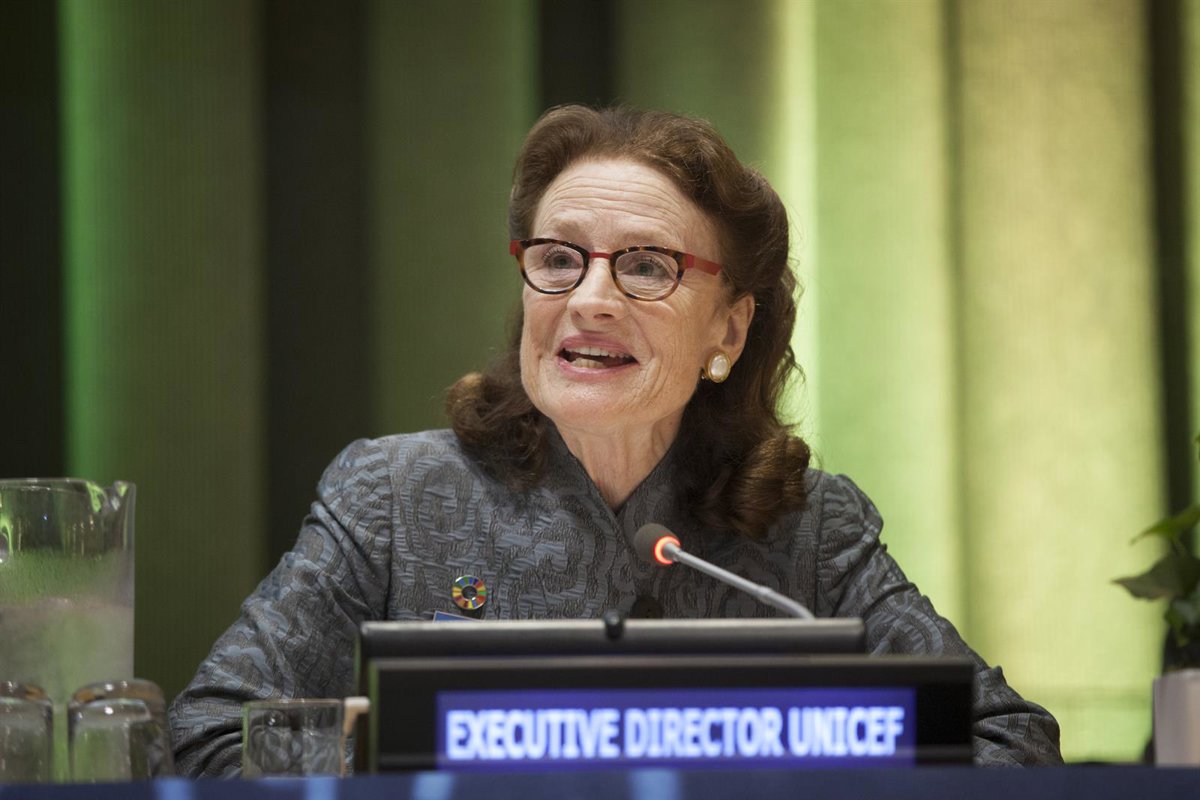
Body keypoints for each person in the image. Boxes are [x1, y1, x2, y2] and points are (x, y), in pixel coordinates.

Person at [169, 105, 1062, 774]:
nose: (590, 299)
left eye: (645, 265)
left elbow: (1012, 742)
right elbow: (210, 736)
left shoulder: (808, 531)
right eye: (559, 258)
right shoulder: (395, 498)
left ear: (729, 328)